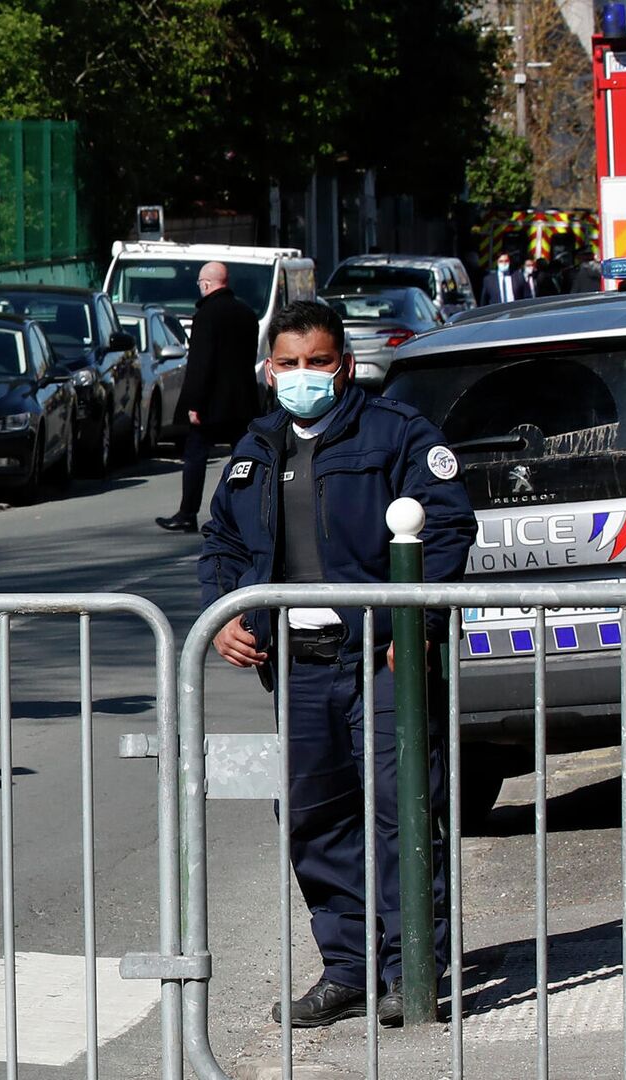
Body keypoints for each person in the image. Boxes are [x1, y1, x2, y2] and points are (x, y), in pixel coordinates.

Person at [200, 299, 475, 1029]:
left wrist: (402, 622)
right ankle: (349, 968)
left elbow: (445, 526)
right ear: (268, 370)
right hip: (298, 666)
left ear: (345, 366)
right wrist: (226, 612)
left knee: (400, 811)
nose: (302, 377)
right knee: (313, 821)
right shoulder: (255, 449)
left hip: (381, 658)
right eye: (288, 364)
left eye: (317, 362)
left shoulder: (397, 434)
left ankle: (413, 971)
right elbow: (222, 545)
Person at [157, 262, 261, 533]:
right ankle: (246, 513)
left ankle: (187, 512)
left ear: (206, 283)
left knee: (195, 456)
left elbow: (200, 364)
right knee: (244, 458)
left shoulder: (205, 315)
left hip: (211, 403)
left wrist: (194, 403)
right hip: (242, 402)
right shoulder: (247, 313)